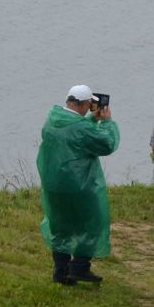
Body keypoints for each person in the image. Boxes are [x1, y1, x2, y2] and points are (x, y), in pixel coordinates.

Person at [38, 85, 119, 286]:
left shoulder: (52, 120)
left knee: (60, 225)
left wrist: (92, 119)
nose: (90, 108)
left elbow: (73, 131)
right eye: (89, 105)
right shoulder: (81, 128)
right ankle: (80, 267)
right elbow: (106, 144)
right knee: (91, 223)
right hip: (79, 185)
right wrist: (107, 122)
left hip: (54, 185)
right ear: (82, 104)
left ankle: (61, 270)